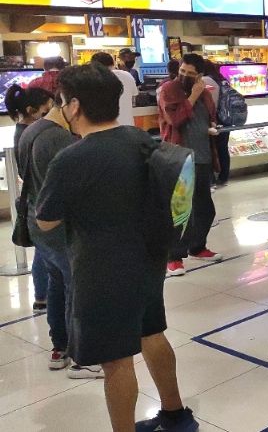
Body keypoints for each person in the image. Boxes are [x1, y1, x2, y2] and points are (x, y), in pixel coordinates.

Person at [35, 63, 198, 432]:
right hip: (148, 258)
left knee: (116, 360)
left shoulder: (72, 158)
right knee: (152, 332)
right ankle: (176, 415)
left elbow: (46, 220)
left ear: (74, 106)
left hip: (102, 269)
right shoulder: (141, 140)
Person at [18, 77, 105, 378]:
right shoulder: (60, 140)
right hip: (59, 226)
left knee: (57, 283)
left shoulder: (31, 131)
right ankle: (82, 358)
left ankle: (60, 347)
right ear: (71, 106)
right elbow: (76, 190)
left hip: (36, 221)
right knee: (77, 288)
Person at [157, 53, 222, 276]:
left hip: (202, 156)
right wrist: (192, 96)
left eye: (190, 74)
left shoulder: (205, 92)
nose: (184, 76)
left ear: (199, 75)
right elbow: (175, 120)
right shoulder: (169, 89)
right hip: (179, 156)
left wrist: (212, 124)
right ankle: (173, 256)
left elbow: (210, 116)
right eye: (182, 71)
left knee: (205, 208)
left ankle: (197, 246)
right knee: (180, 209)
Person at [7, 85, 55, 311]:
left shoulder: (24, 131)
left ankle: (42, 296)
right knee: (45, 251)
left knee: (42, 250)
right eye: (45, 111)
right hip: (38, 198)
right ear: (31, 109)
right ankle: (43, 295)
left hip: (34, 196)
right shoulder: (31, 135)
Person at [89, 52, 137, 127]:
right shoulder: (127, 75)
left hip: (105, 130)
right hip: (128, 127)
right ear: (113, 63)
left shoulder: (95, 79)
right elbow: (134, 98)